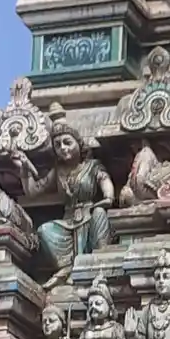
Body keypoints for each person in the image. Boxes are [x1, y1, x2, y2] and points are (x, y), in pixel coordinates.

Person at [17, 116, 114, 280]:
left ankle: (98, 262)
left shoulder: (92, 166)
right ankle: (66, 267)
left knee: (99, 214)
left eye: (67, 142)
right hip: (67, 221)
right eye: (57, 145)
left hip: (89, 214)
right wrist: (24, 168)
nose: (63, 148)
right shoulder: (58, 171)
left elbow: (104, 180)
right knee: (44, 231)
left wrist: (108, 197)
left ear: (78, 143)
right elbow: (33, 191)